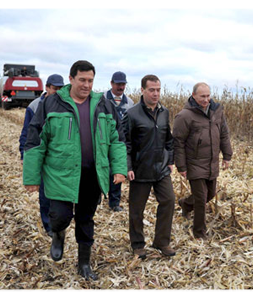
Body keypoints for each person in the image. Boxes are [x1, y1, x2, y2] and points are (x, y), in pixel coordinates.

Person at [23, 60, 127, 280]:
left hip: (92, 175)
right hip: (61, 174)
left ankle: (84, 263)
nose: (87, 85)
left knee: (85, 219)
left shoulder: (103, 105)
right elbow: (35, 140)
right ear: (70, 79)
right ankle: (58, 234)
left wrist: (119, 169)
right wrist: (31, 177)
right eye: (82, 80)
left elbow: (117, 140)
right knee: (59, 216)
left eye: (90, 80)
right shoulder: (51, 104)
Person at [122, 74, 176, 259]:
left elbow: (169, 139)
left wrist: (170, 161)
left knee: (168, 201)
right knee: (137, 209)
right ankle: (138, 244)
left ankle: (162, 242)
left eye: (158, 90)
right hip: (140, 169)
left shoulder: (164, 112)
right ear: (142, 90)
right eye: (151, 90)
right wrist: (128, 166)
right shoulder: (131, 114)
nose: (155, 94)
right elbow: (125, 143)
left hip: (160, 168)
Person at [173, 82, 233, 240]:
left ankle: (185, 204)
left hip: (211, 162)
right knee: (201, 198)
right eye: (202, 96)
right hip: (194, 162)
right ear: (193, 96)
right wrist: (181, 165)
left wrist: (227, 155)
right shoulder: (185, 116)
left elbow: (224, 134)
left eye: (208, 96)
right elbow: (178, 142)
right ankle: (199, 233)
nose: (206, 99)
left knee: (210, 194)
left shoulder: (217, 111)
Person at [19, 74, 65, 237]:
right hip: (41, 154)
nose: (58, 92)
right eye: (55, 88)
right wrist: (26, 156)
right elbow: (27, 133)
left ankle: (58, 222)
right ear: (47, 88)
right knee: (45, 193)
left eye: (61, 88)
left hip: (58, 155)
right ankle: (48, 226)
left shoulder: (65, 105)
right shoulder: (35, 106)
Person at [105, 71, 134, 212]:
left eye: (123, 84)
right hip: (104, 141)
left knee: (118, 170)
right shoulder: (102, 99)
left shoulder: (130, 103)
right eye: (118, 84)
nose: (120, 87)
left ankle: (114, 202)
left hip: (120, 141)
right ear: (111, 84)